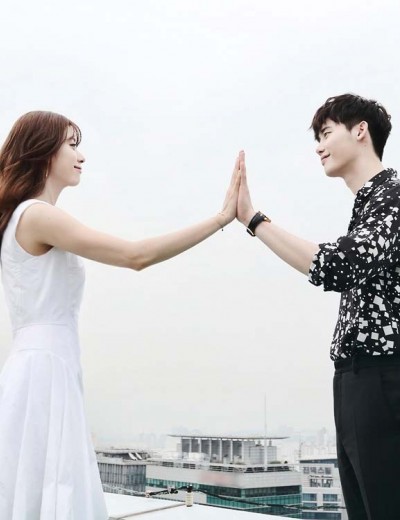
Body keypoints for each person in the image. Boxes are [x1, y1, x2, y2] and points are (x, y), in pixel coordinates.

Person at [0, 110, 241, 520]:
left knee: (34, 489)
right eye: (71, 145)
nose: (81, 156)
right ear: (44, 152)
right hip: (46, 368)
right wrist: (221, 218)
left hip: (37, 364)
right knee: (54, 488)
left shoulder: (19, 218)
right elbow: (135, 255)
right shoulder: (37, 214)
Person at [236, 93, 399, 520]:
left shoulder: (393, 197)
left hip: (382, 378)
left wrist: (254, 220)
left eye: (326, 133)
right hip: (359, 380)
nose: (319, 146)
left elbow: (338, 265)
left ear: (360, 131)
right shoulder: (370, 204)